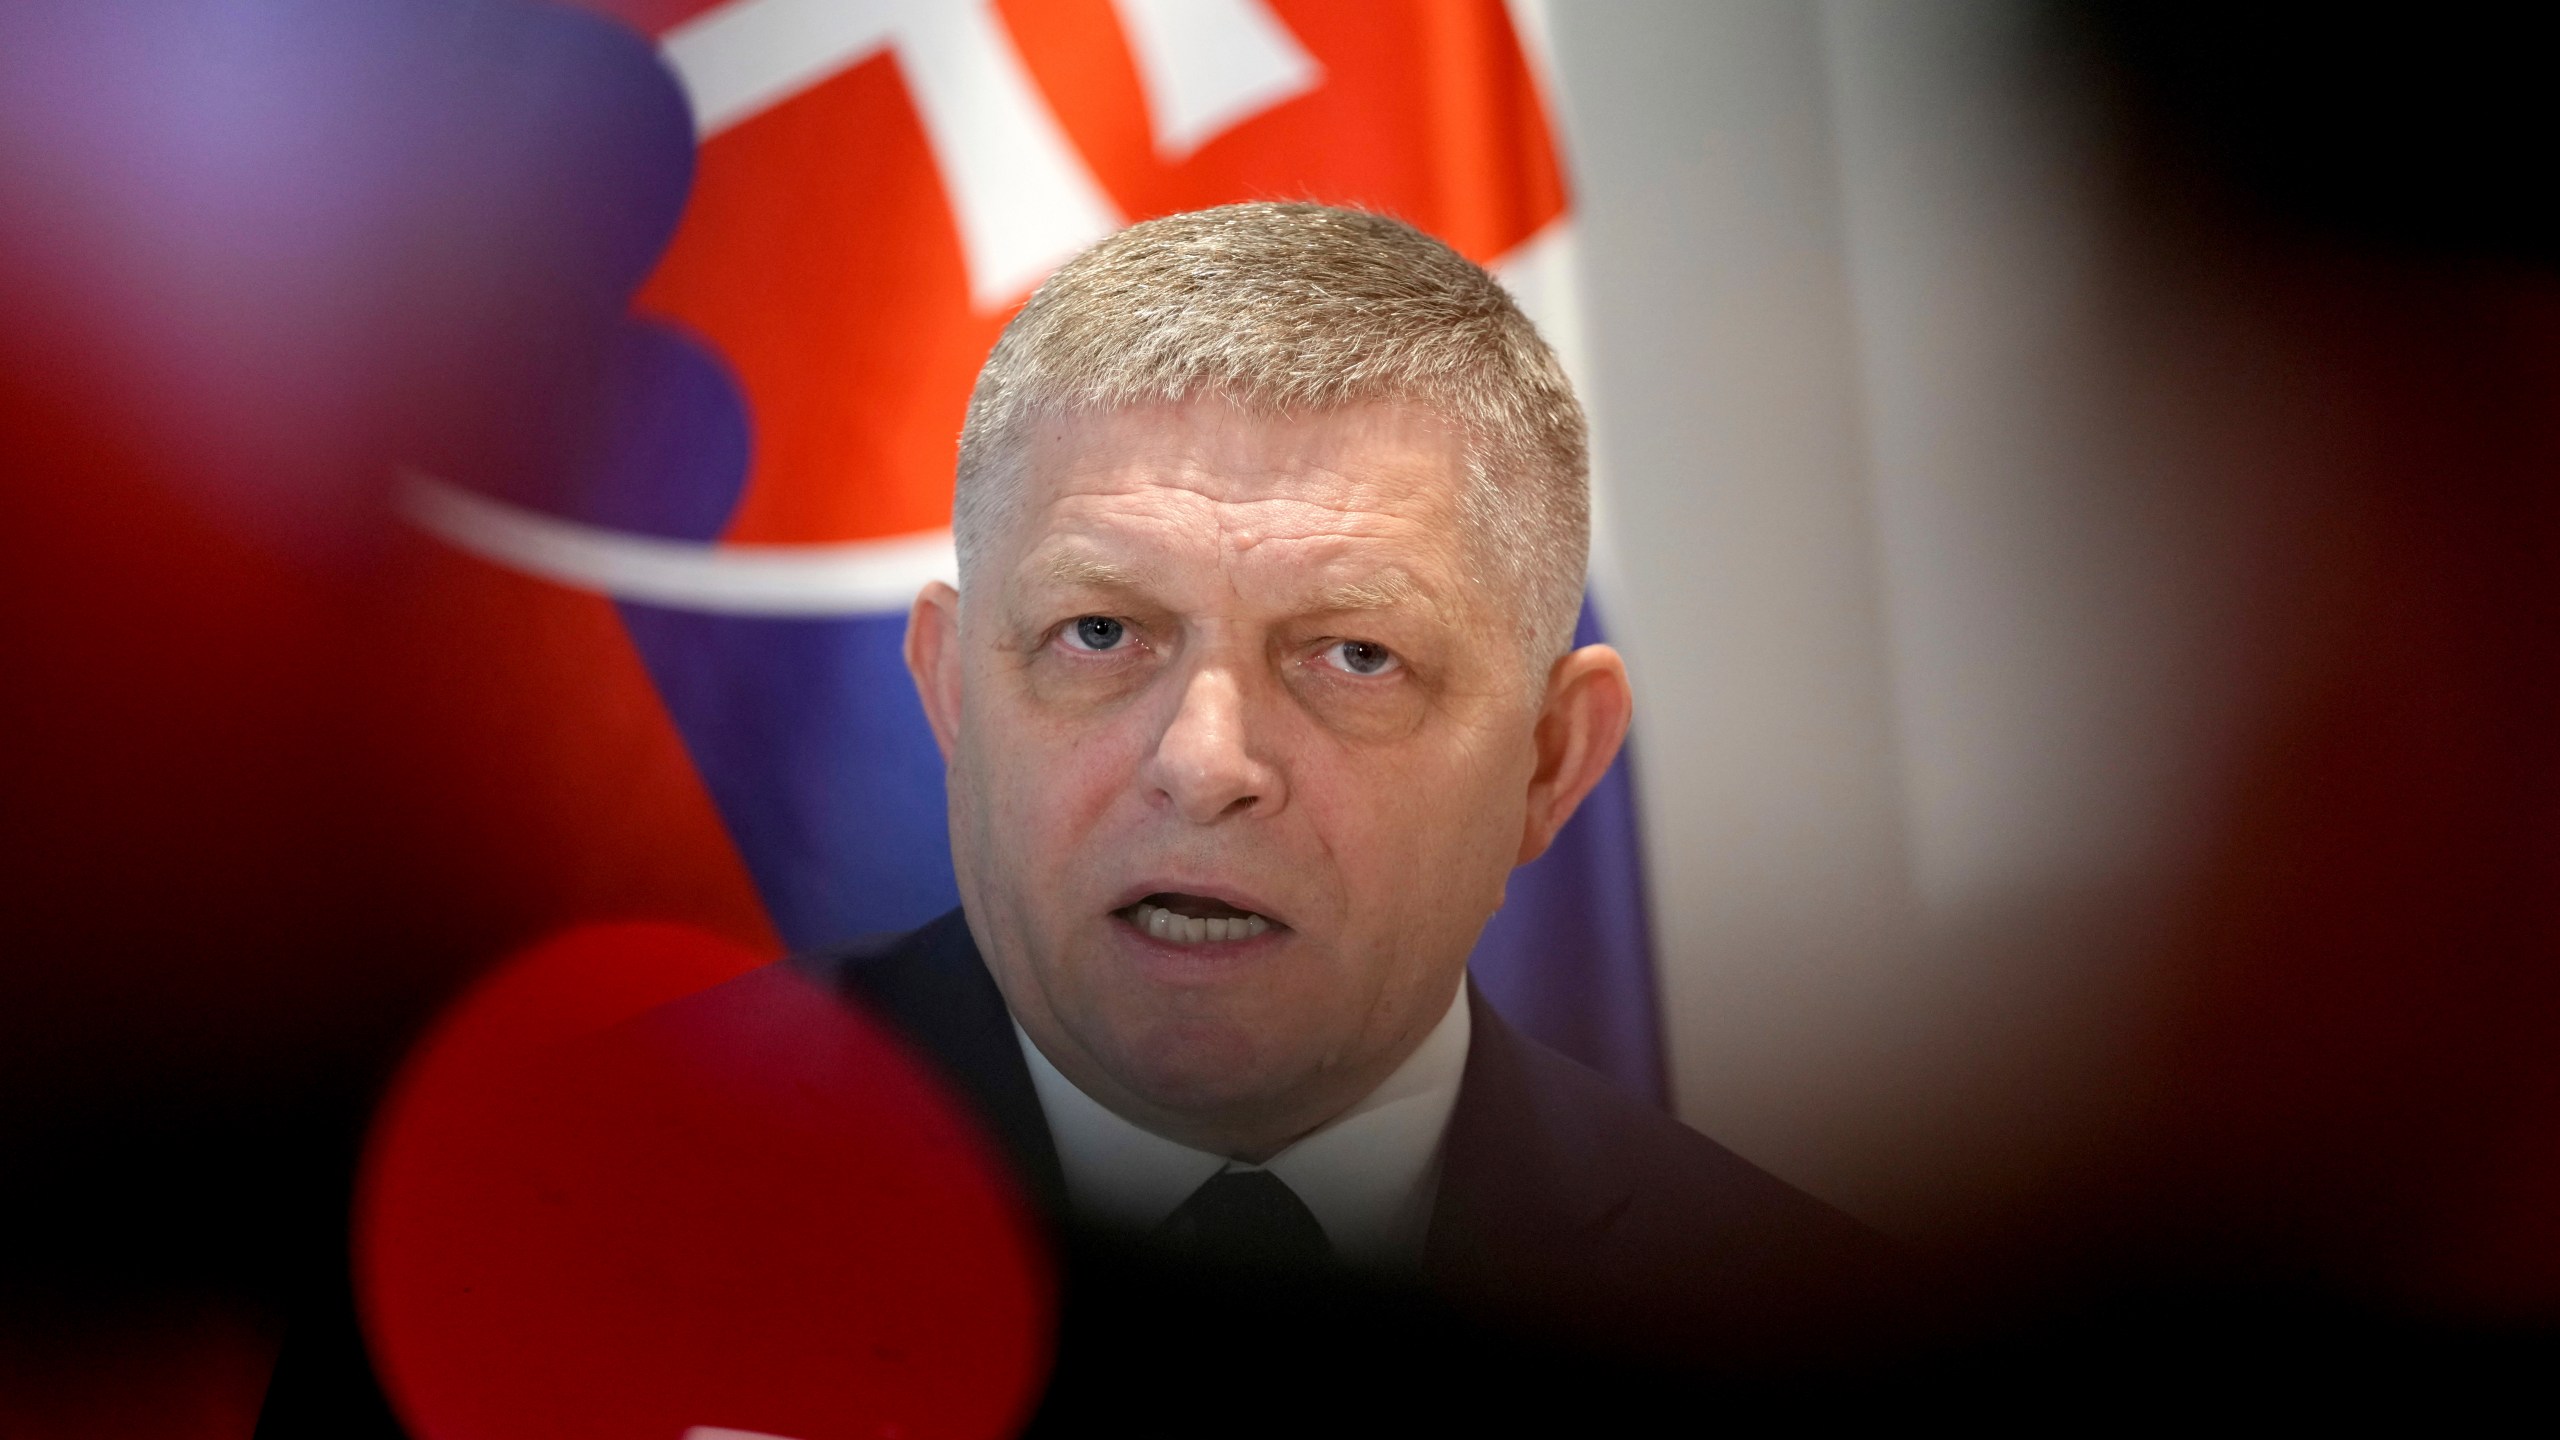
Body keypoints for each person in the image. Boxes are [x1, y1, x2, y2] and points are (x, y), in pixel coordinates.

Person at [741, 201, 1895, 1361]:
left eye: (1356, 655)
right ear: (949, 694)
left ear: (1549, 762)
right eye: (1098, 633)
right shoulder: (585, 1202)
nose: (1203, 766)